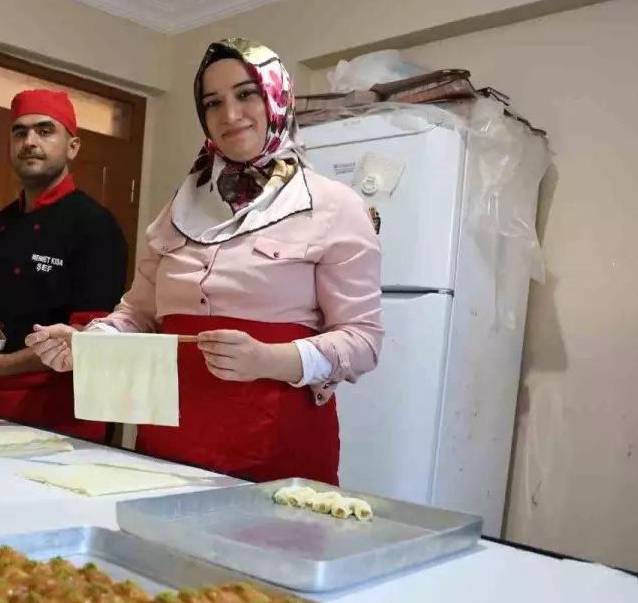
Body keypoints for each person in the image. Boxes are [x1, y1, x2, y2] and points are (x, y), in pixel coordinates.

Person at [26, 39, 383, 484]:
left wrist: (271, 360)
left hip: (274, 451)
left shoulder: (332, 205)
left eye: (246, 93)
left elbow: (363, 341)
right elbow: (138, 315)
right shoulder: (179, 210)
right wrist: (86, 343)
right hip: (166, 447)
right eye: (212, 103)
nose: (229, 114)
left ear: (276, 96)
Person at [0, 89, 128, 442]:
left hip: (66, 409)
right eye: (20, 132)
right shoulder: (3, 221)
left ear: (72, 147)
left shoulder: (94, 224)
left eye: (45, 131)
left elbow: (90, 336)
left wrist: (6, 364)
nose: (30, 141)